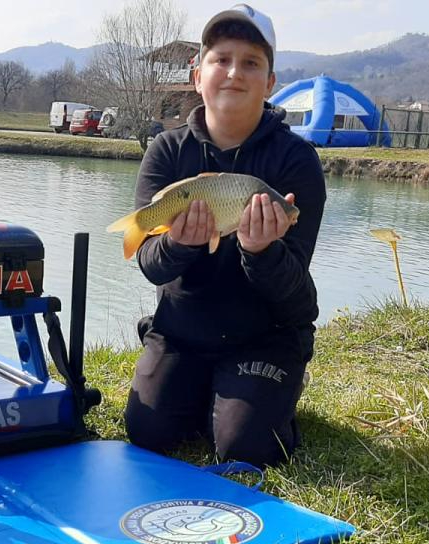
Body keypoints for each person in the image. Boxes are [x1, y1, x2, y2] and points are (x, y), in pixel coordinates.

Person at [123, 4, 326, 467]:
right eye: (221, 59)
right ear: (198, 75)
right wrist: (178, 243)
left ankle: (269, 393)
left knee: (245, 449)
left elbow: (297, 295)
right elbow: (151, 264)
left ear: (270, 83)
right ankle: (206, 386)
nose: (234, 72)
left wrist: (260, 252)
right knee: (147, 432)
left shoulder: (297, 163)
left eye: (251, 62)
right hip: (184, 330)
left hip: (265, 335)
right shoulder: (166, 151)